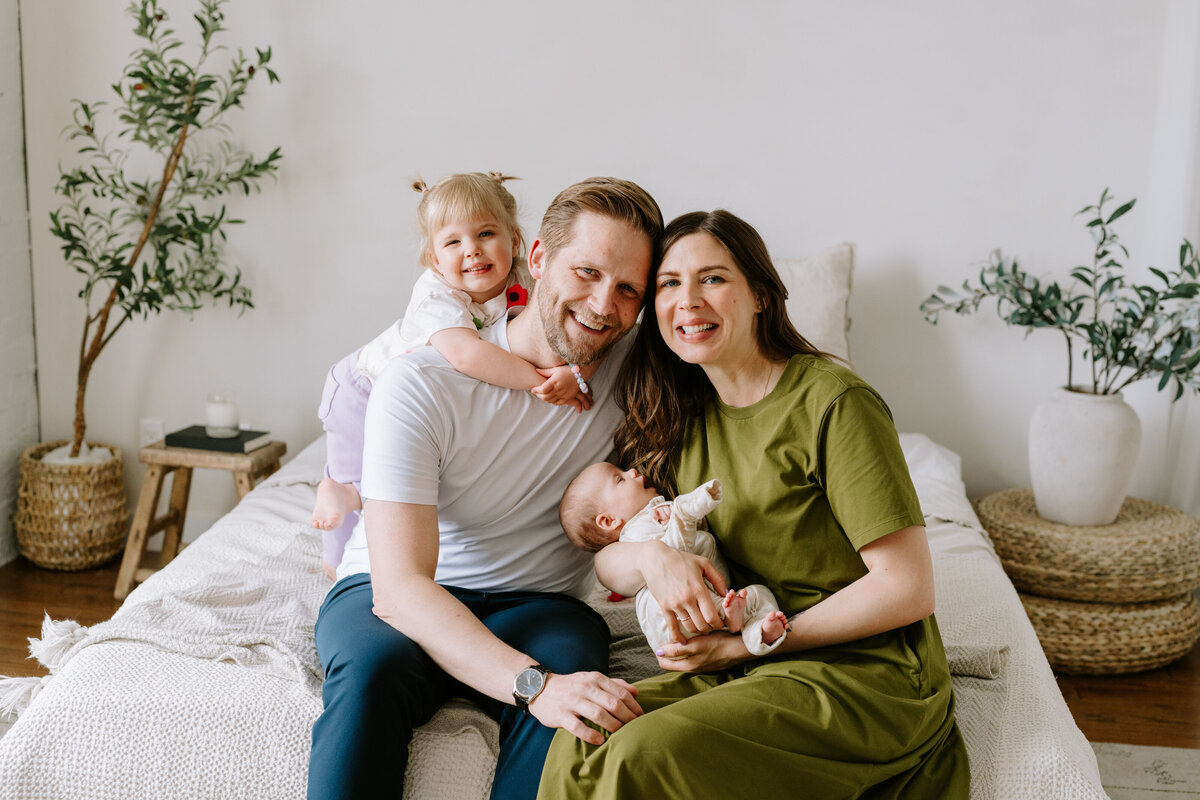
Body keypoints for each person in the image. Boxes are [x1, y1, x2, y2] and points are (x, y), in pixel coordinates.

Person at [538, 209, 971, 799]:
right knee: (586, 732)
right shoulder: (677, 416)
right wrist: (650, 562)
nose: (688, 300)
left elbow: (908, 587)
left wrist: (753, 643)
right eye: (669, 284)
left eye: (713, 279)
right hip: (749, 658)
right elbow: (610, 558)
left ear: (762, 296)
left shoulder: (833, 402)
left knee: (644, 753)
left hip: (863, 670)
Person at [306, 177, 665, 800]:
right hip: (395, 592)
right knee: (371, 673)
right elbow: (400, 590)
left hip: (539, 602)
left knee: (580, 669)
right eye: (586, 272)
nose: (604, 305)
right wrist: (534, 687)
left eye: (628, 288)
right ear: (537, 259)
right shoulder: (422, 379)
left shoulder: (637, 370)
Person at [310, 172, 594, 578]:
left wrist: (576, 368)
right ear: (434, 260)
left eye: (485, 234)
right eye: (453, 242)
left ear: (515, 241)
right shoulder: (435, 295)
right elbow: (467, 355)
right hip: (361, 386)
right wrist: (542, 380)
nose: (472, 251)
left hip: (409, 395)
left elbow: (560, 327)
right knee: (368, 486)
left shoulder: (524, 281)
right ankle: (334, 555)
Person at [559, 463, 789, 656]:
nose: (632, 471)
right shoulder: (637, 533)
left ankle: (756, 631)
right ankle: (727, 613)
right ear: (609, 521)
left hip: (699, 611)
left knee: (758, 593)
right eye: (620, 479)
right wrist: (684, 513)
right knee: (740, 597)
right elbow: (675, 556)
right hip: (672, 620)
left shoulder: (658, 513)